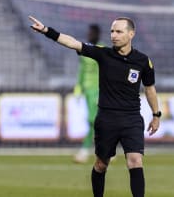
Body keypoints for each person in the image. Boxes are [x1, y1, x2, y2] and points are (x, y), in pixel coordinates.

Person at [29, 15, 161, 197]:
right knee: (101, 164)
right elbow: (73, 43)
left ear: (131, 34)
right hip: (106, 119)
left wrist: (156, 115)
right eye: (112, 31)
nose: (114, 35)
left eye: (119, 31)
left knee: (135, 161)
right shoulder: (103, 54)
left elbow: (150, 89)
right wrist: (46, 31)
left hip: (131, 119)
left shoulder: (143, 61)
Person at [73, 24, 102, 163]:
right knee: (95, 121)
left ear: (97, 34)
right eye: (88, 33)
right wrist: (78, 88)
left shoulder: (103, 50)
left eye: (92, 33)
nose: (89, 35)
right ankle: (108, 147)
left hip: (99, 89)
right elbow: (82, 72)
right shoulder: (85, 51)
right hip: (87, 91)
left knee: (93, 120)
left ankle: (85, 150)